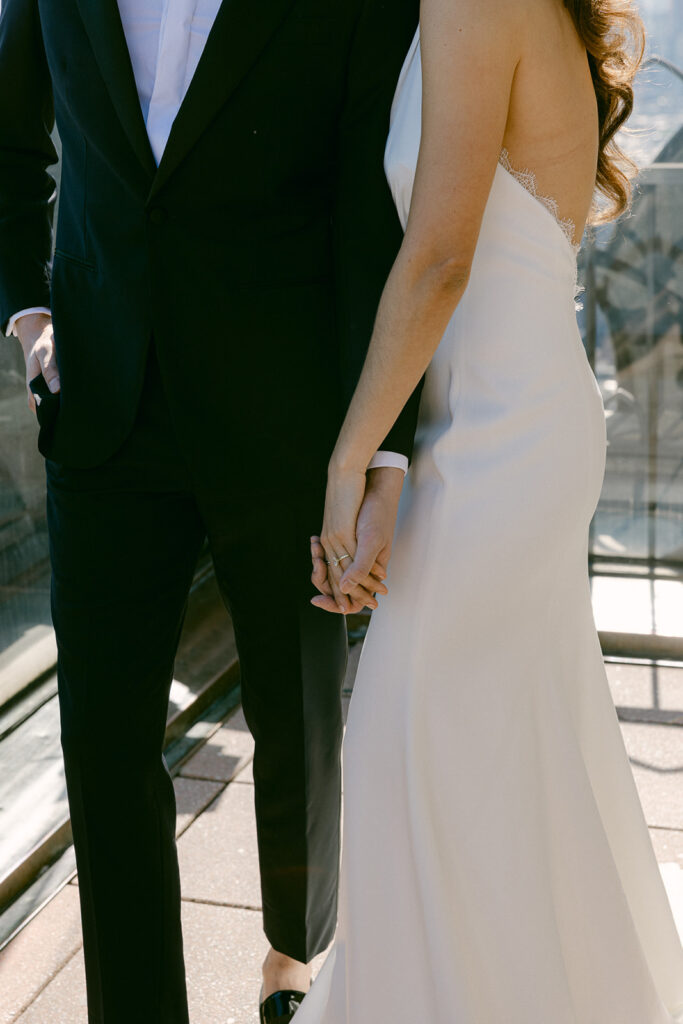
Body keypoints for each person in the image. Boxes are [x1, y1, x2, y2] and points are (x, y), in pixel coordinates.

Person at [0, 1, 421, 1021]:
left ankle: (293, 945)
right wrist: (32, 312)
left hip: (286, 416)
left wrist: (378, 449)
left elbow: (376, 199)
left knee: (298, 710)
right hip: (101, 402)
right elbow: (11, 141)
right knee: (102, 740)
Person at [298, 0, 683, 1020]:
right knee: (494, 761)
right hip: (497, 424)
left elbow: (438, 260)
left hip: (503, 438)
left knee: (409, 751)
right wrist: (391, 466)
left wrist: (348, 460)